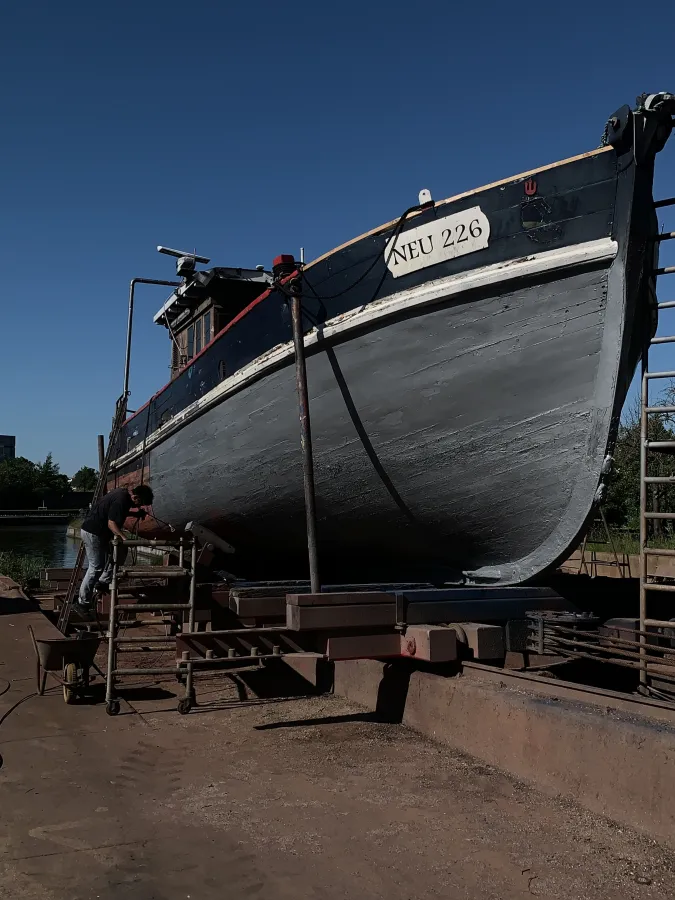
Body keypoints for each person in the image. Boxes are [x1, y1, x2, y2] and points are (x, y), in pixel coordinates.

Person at [76, 484, 154, 613]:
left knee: (120, 552)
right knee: (96, 567)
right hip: (93, 532)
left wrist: (135, 514)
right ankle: (82, 602)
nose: (138, 506)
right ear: (136, 496)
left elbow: (115, 511)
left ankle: (102, 582)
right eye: (139, 503)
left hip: (99, 533)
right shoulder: (122, 500)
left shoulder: (123, 495)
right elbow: (111, 523)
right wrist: (125, 538)